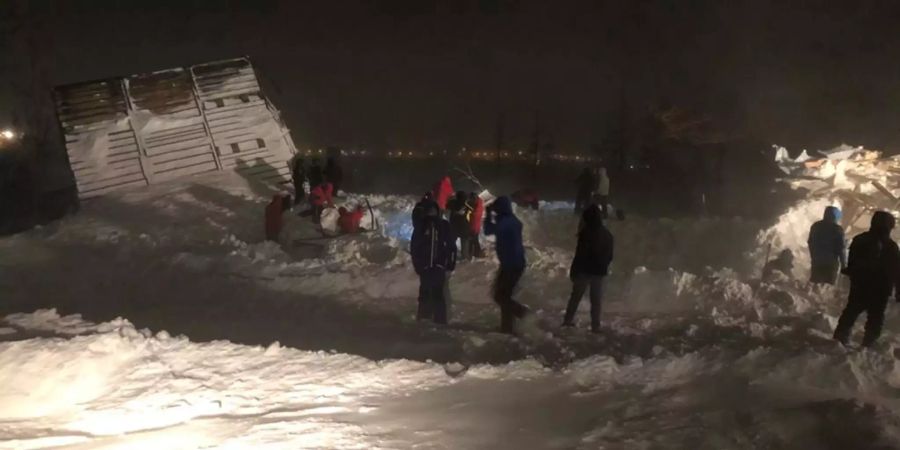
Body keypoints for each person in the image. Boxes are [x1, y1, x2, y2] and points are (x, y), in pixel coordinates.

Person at [833, 211, 900, 348]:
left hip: (861, 285)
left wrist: (854, 275)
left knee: (850, 312)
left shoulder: (860, 239)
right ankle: (869, 344)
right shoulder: (891, 246)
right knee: (875, 319)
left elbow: (852, 263)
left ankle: (839, 339)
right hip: (881, 289)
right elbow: (896, 270)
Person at [563, 205, 613, 333]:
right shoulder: (607, 234)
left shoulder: (585, 233)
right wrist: (604, 267)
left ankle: (567, 321)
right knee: (596, 300)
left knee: (575, 297)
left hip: (584, 271)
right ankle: (595, 326)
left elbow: (580, 254)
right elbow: (609, 255)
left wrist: (574, 270)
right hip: (599, 271)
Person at [484, 196, 529, 334]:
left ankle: (523, 313)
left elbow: (488, 230)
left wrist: (488, 215)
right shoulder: (512, 220)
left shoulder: (506, 222)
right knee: (504, 295)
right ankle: (507, 327)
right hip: (514, 263)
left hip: (511, 264)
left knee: (500, 296)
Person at [410, 199, 457, 324]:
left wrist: (450, 263)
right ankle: (426, 318)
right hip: (428, 266)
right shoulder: (422, 226)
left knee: (436, 293)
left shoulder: (442, 225)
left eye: (433, 210)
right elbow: (415, 247)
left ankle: (437, 319)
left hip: (437, 266)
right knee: (427, 292)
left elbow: (451, 246)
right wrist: (418, 265)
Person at [808, 206, 847, 285]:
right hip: (831, 263)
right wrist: (843, 265)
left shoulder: (816, 226)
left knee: (815, 285)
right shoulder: (838, 229)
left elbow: (810, 242)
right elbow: (841, 248)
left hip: (817, 261)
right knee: (827, 287)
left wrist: (813, 256)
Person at [447, 191, 474, 260]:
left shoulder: (452, 203)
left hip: (453, 226)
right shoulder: (466, 204)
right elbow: (472, 210)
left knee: (452, 242)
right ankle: (464, 257)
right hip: (464, 226)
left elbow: (447, 205)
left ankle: (451, 255)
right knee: (464, 242)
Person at [468, 192, 485, 259]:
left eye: (471, 199)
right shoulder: (479, 203)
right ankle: (475, 253)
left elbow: (475, 215)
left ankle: (474, 253)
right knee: (474, 240)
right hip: (476, 225)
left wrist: (470, 213)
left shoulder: (477, 206)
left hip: (474, 226)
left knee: (473, 240)